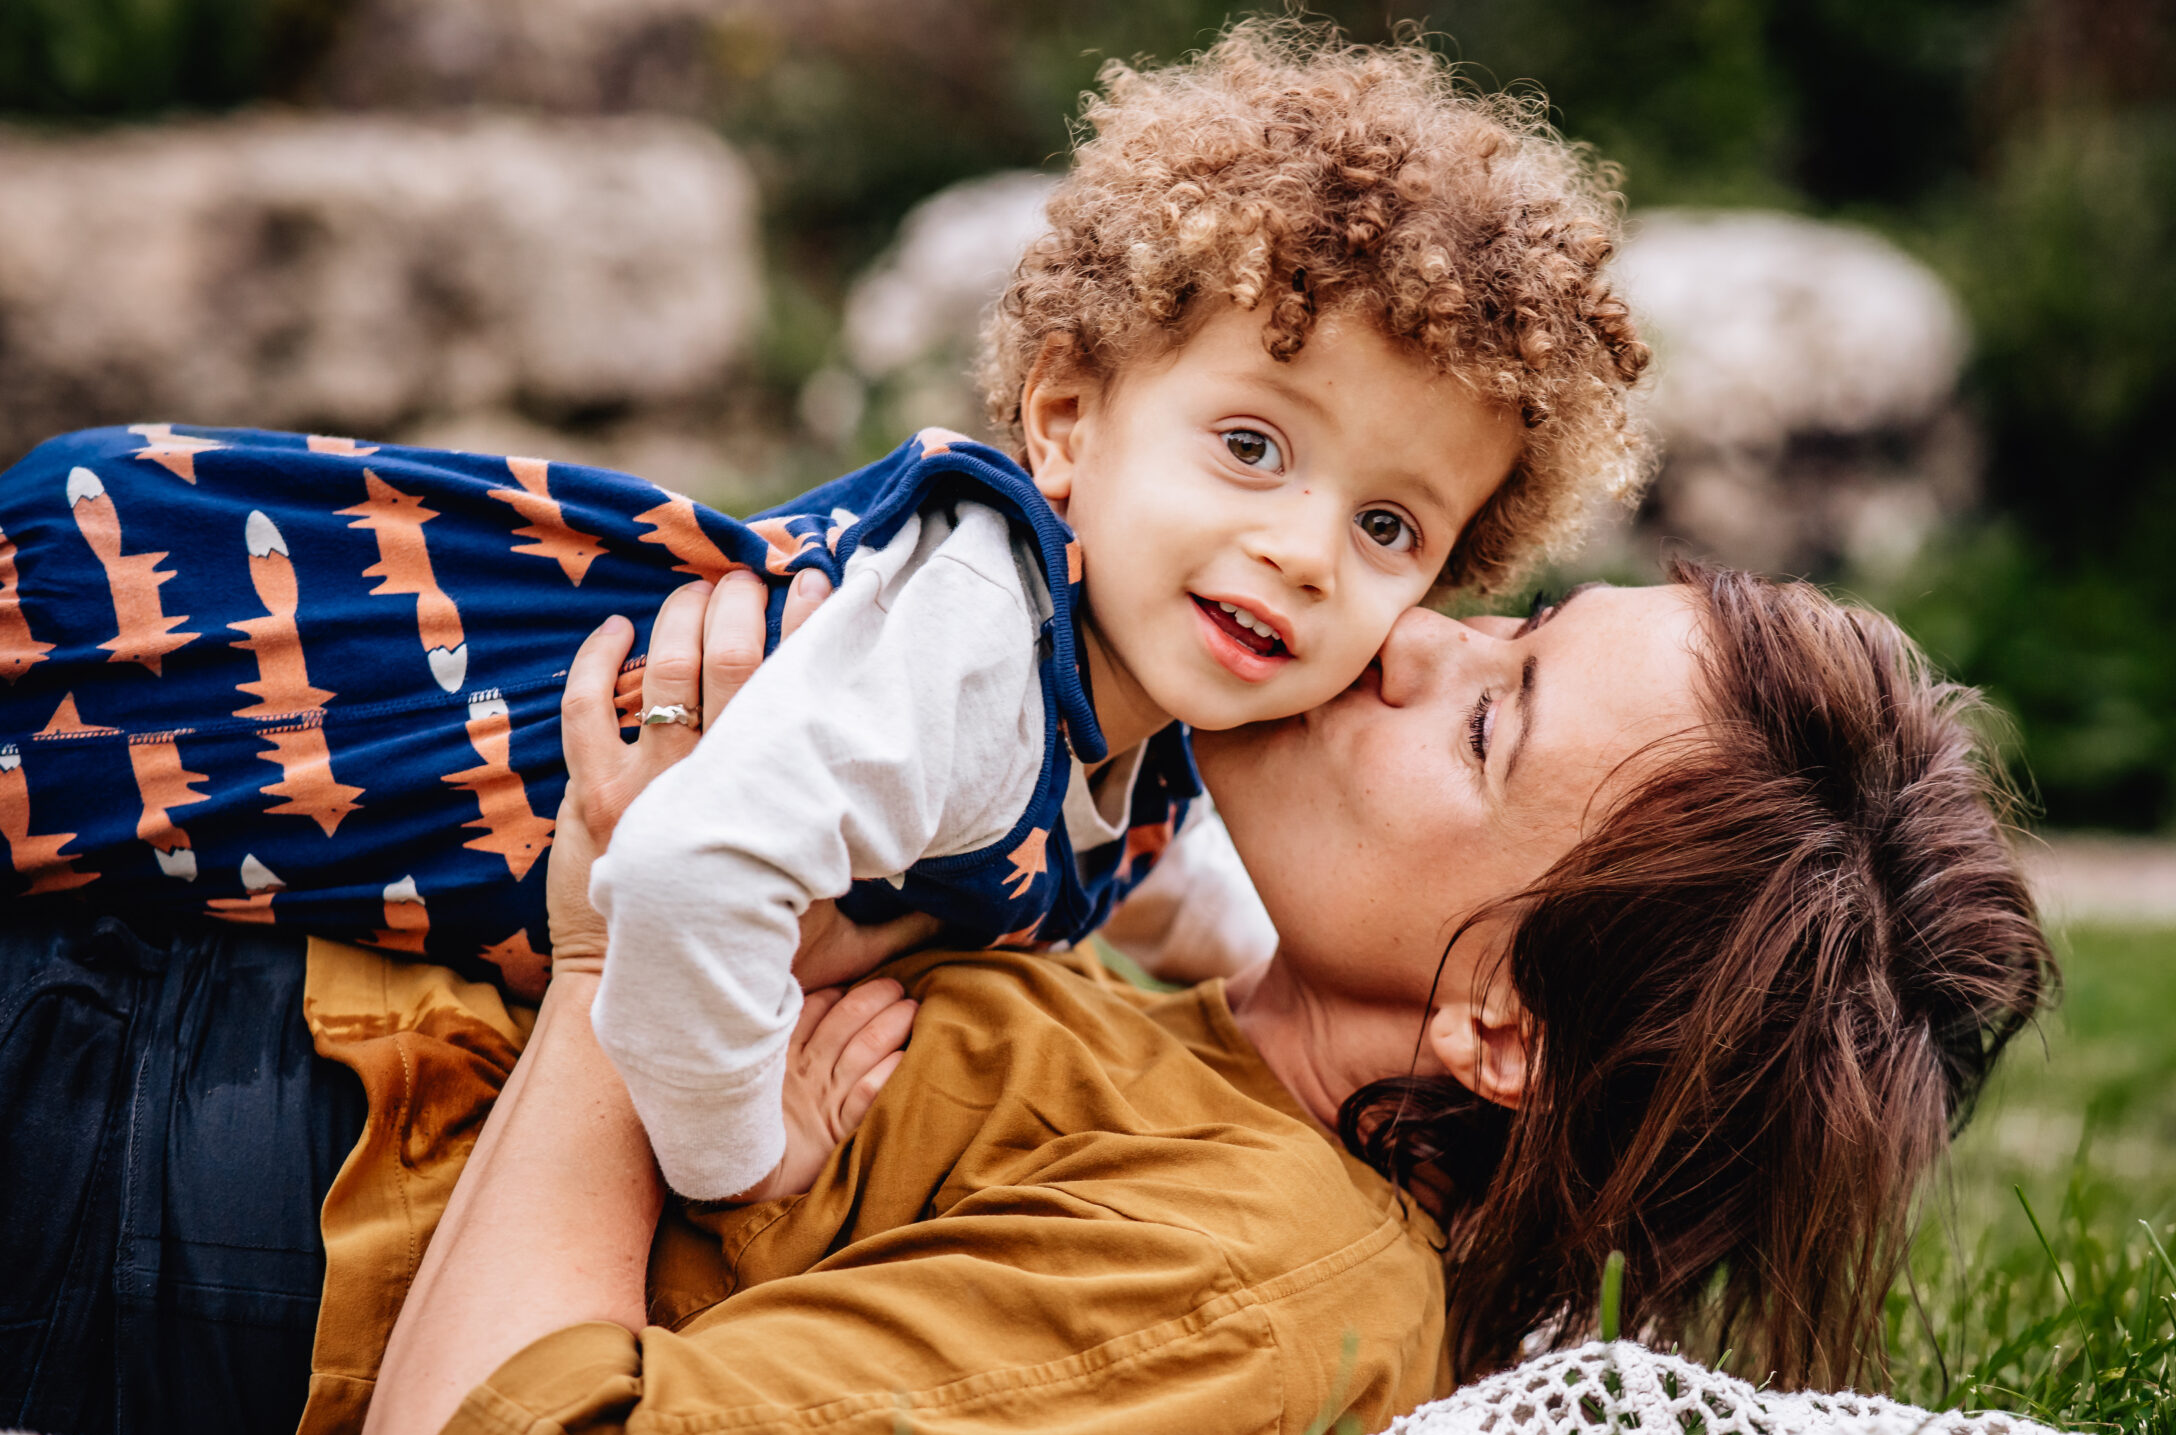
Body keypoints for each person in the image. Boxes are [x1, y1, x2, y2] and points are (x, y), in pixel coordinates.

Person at [0, 20, 1651, 1204]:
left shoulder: (1145, 716)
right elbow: (685, 867)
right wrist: (744, 1152)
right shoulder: (971, 644)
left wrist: (1230, 940)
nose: (1301, 550)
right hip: (290, 692)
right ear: (1066, 424)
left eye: (1385, 523)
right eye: (1249, 446)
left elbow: (1139, 864)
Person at [259, 550, 2043, 1435]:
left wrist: (613, 947)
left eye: (1490, 721)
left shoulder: (1255, 1281)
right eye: (1514, 621)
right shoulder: (1234, 1012)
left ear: (1502, 1023)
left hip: (215, 1184)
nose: (1410, 631)